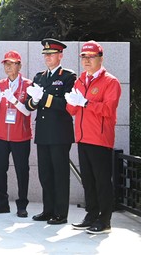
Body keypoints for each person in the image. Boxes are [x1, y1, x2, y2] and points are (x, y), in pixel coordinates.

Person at [66, 41, 121, 234]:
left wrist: (86, 103)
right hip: (82, 137)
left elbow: (108, 109)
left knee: (102, 180)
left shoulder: (110, 81)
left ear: (100, 58)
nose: (87, 61)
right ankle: (91, 215)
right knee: (88, 180)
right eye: (84, 57)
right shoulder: (80, 80)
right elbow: (72, 110)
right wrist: (72, 102)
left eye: (91, 57)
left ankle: (104, 220)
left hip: (99, 138)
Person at [25, 38, 76, 225]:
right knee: (45, 174)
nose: (47, 57)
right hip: (44, 132)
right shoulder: (39, 77)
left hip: (60, 132)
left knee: (60, 174)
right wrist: (35, 100)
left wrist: (44, 98)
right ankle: (48, 210)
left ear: (60, 55)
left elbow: (67, 105)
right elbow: (29, 105)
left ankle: (61, 213)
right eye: (45, 54)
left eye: (51, 54)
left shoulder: (68, 77)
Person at [0, 50, 32, 217]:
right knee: (0, 169)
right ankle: (2, 203)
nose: (8, 66)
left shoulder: (28, 85)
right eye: (6, 63)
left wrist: (14, 100)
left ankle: (22, 205)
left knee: (22, 170)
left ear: (19, 66)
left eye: (12, 63)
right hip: (1, 135)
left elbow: (27, 112)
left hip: (20, 135)